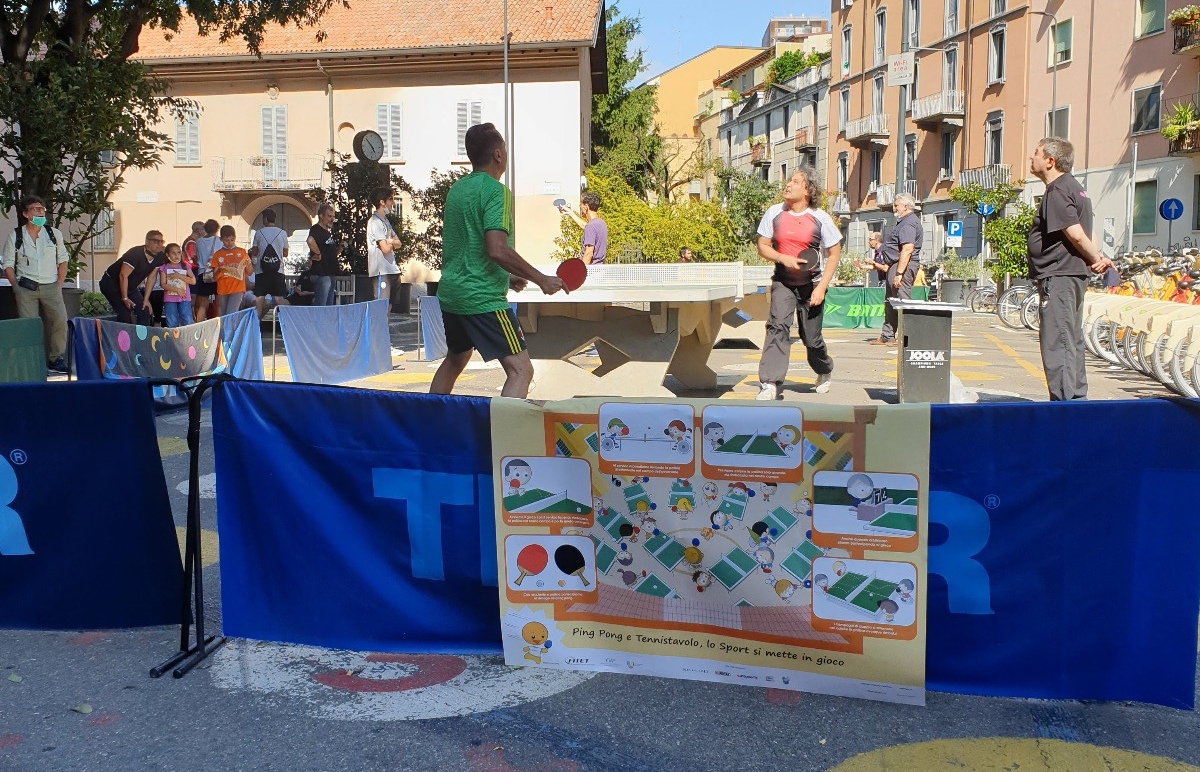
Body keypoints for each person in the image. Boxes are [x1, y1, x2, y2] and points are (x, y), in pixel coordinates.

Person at [430, 122, 567, 398]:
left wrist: (507, 275)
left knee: (456, 358)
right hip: (482, 300)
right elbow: (497, 249)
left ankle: (428, 428)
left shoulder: (457, 190)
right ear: (498, 155)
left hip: (452, 295)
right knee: (521, 370)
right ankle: (501, 439)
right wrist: (540, 279)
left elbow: (470, 247)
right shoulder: (496, 192)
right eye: (504, 147)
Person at [1027, 136, 1113, 400]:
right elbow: (1089, 230)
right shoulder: (1077, 188)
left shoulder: (1057, 190)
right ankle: (1076, 400)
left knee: (1058, 340)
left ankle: (1064, 407)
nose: (1032, 157)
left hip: (1059, 275)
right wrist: (1094, 257)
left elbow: (1075, 233)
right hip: (1071, 274)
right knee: (1070, 339)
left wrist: (1095, 257)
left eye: (1037, 153)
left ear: (1050, 161)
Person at [754, 167, 843, 400]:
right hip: (783, 282)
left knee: (811, 339)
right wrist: (782, 258)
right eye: (788, 180)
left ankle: (824, 370)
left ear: (807, 190)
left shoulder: (820, 218)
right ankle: (770, 383)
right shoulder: (774, 213)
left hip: (811, 285)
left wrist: (821, 287)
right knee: (777, 327)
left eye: (795, 181)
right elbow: (762, 245)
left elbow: (834, 254)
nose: (788, 184)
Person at [1, 195, 70, 373]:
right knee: (29, 325)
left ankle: (56, 359)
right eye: (35, 209)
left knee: (60, 321)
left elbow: (63, 260)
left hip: (51, 286)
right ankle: (33, 360)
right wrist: (16, 287)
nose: (40, 212)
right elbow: (8, 264)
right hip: (26, 287)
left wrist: (59, 284)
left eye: (42, 209)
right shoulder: (15, 235)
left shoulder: (54, 234)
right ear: (25, 213)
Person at [872, 194, 923, 346]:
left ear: (906, 207)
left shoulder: (909, 223)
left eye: (896, 205)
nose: (894, 208)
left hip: (903, 267)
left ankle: (907, 337)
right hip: (895, 265)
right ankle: (887, 336)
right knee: (890, 302)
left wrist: (899, 273)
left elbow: (907, 249)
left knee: (902, 301)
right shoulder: (903, 222)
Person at [99, 230, 166, 325]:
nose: (159, 244)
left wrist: (146, 300)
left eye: (161, 241)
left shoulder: (159, 256)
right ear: (147, 242)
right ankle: (121, 338)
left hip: (130, 286)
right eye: (156, 241)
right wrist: (125, 298)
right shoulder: (135, 254)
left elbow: (152, 277)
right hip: (111, 283)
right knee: (125, 313)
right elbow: (123, 275)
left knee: (145, 310)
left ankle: (141, 338)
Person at [367, 187, 402, 313]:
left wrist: (391, 241)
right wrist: (391, 243)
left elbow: (399, 243)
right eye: (390, 199)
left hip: (392, 270)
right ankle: (378, 332)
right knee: (381, 308)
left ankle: (385, 332)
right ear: (382, 202)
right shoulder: (375, 222)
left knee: (389, 307)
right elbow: (385, 249)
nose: (393, 203)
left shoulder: (386, 221)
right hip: (381, 272)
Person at [144, 242, 195, 328]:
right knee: (172, 322)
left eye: (178, 252)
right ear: (167, 254)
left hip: (184, 298)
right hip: (170, 299)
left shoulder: (185, 266)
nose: (176, 255)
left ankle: (187, 339)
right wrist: (177, 290)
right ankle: (172, 340)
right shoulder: (164, 267)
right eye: (173, 253)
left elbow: (193, 281)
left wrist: (179, 276)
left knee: (187, 320)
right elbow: (163, 284)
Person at [249, 209, 289, 319]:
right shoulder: (283, 233)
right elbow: (285, 253)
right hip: (278, 271)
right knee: (278, 298)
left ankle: (257, 323)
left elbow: (255, 251)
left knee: (259, 298)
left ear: (265, 219)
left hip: (261, 271)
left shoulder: (258, 233)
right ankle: (289, 318)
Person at [211, 224, 252, 317]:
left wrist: (248, 263)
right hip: (223, 289)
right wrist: (221, 270)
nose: (229, 243)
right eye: (226, 240)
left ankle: (232, 331)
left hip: (237, 288)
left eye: (232, 240)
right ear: (221, 239)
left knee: (231, 313)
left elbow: (249, 272)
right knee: (224, 315)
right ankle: (226, 331)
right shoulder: (218, 254)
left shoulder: (241, 252)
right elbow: (214, 278)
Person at [558, 192, 607, 264]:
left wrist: (581, 272)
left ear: (586, 206)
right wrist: (571, 213)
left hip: (591, 271)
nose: (579, 206)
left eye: (580, 204)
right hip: (599, 269)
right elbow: (586, 226)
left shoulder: (591, 226)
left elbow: (588, 253)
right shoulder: (600, 223)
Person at [306, 203, 340, 306]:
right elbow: (310, 240)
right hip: (321, 274)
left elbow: (332, 254)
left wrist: (341, 248)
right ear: (321, 216)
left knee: (328, 306)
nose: (332, 219)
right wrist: (317, 253)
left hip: (330, 274)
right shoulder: (316, 229)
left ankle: (326, 322)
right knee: (321, 306)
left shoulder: (327, 232)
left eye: (333, 217)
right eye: (329, 216)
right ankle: (318, 322)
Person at [191, 219, 220, 322]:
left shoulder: (198, 242)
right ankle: (217, 325)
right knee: (218, 301)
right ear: (217, 228)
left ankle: (199, 324)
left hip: (202, 273)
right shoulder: (219, 241)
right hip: (216, 273)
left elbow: (195, 257)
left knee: (203, 302)